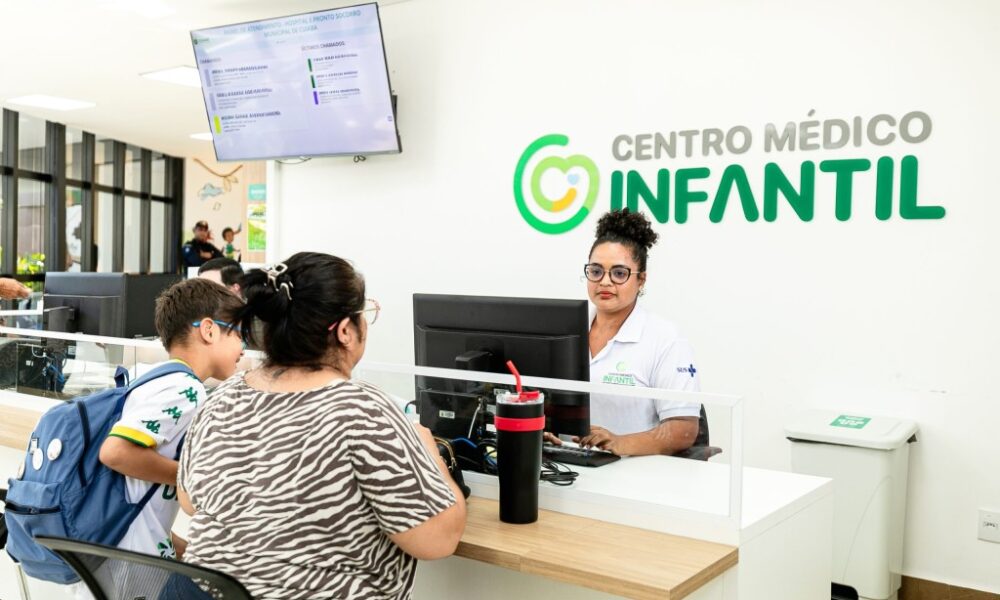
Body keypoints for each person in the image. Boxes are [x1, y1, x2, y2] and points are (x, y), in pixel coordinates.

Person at [176, 252, 466, 600]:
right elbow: (439, 540)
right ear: (345, 331)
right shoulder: (363, 410)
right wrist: (430, 455)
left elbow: (189, 501)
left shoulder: (223, 397)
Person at [71, 278, 245, 598]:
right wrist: (189, 477)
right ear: (209, 330)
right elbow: (115, 452)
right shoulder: (186, 389)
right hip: (131, 570)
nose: (243, 347)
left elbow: (142, 500)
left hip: (117, 554)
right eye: (237, 333)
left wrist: (182, 547)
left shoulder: (158, 380)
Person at [567, 209, 702, 457]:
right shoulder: (566, 331)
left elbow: (684, 429)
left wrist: (620, 443)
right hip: (566, 464)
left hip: (636, 469)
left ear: (641, 280)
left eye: (619, 273)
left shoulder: (665, 339)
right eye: (596, 271)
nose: (605, 281)